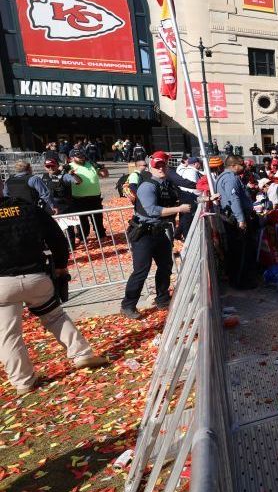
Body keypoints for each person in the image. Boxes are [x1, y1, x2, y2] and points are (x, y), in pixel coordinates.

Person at [0, 195, 108, 395]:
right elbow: (56, 237)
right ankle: (81, 353)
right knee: (55, 317)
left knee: (8, 335)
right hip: (36, 277)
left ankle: (23, 381)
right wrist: (60, 266)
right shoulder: (28, 209)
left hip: (2, 285)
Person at [121, 151, 189, 319]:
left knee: (165, 266)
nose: (160, 168)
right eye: (157, 165)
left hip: (160, 232)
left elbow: (183, 196)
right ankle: (128, 305)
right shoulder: (147, 185)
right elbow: (152, 210)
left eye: (163, 165)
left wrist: (204, 197)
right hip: (143, 233)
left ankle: (162, 299)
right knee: (141, 270)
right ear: (151, 166)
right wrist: (179, 209)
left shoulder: (168, 184)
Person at [216, 155, 258, 289]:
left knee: (236, 250)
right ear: (233, 165)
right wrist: (241, 220)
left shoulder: (223, 177)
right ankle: (240, 281)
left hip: (231, 217)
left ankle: (237, 278)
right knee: (240, 251)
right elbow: (234, 200)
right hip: (234, 218)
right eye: (242, 165)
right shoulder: (230, 179)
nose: (244, 167)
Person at [68, 149, 109, 243]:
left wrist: (103, 168)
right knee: (82, 220)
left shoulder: (91, 164)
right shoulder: (69, 166)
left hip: (95, 197)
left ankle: (101, 235)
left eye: (83, 156)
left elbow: (104, 175)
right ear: (72, 158)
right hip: (78, 198)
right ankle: (82, 236)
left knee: (98, 218)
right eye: (79, 156)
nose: (82, 158)